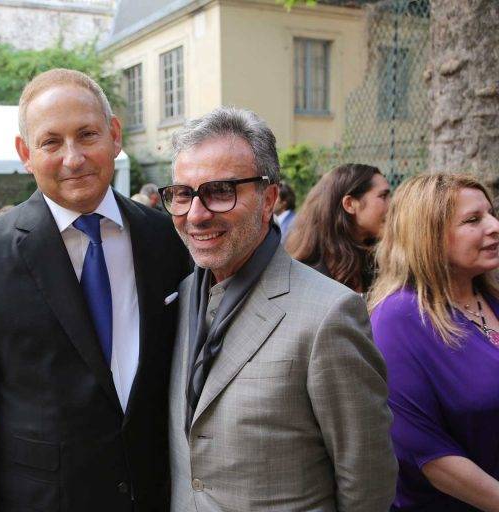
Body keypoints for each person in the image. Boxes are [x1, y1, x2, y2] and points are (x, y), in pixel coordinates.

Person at [0, 68, 190, 512]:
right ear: (25, 153)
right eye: (51, 142)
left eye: (87, 134)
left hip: (155, 494)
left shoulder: (167, 238)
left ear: (114, 135)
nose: (73, 158)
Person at [162, 107, 397, 511]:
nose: (196, 215)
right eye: (183, 194)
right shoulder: (180, 298)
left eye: (220, 191)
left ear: (268, 198)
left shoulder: (329, 315)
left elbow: (367, 481)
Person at [369, 173, 499, 511]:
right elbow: (428, 454)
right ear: (429, 237)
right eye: (473, 220)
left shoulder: (489, 297)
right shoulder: (398, 319)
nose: (494, 225)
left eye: (491, 213)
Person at [285, 163, 391, 293]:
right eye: (383, 196)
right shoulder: (310, 276)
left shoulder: (375, 261)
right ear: (350, 204)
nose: (392, 205)